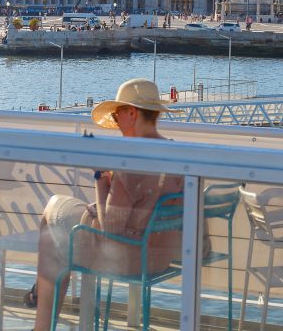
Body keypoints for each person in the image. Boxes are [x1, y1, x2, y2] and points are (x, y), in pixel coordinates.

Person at [31, 79, 184, 331]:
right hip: (160, 256)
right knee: (54, 235)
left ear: (131, 114)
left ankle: (42, 321)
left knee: (52, 215)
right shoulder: (173, 152)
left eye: (117, 114)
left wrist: (101, 176)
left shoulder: (132, 159)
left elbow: (110, 227)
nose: (115, 122)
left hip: (126, 258)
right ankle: (41, 309)